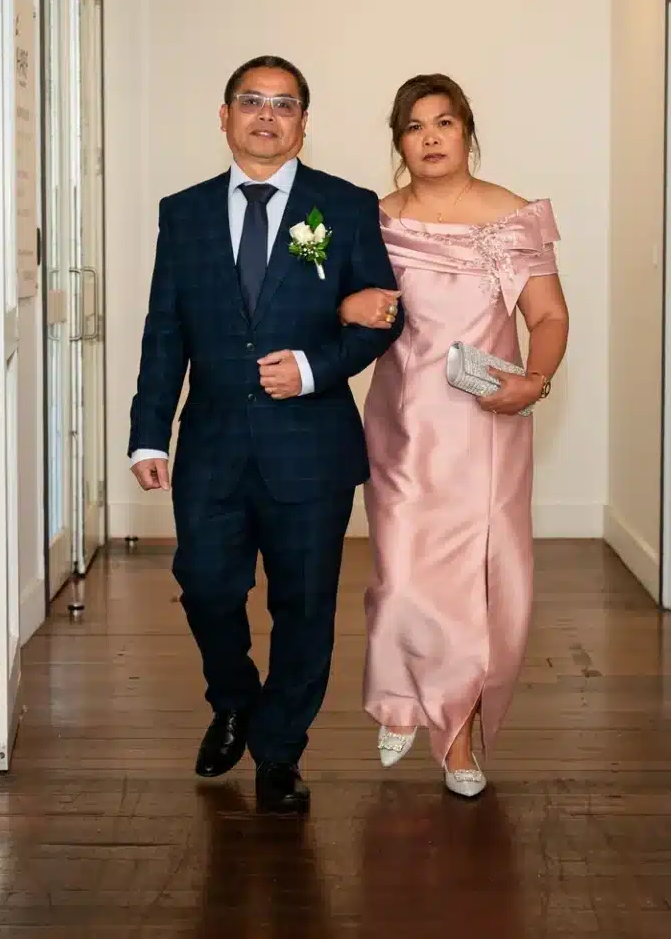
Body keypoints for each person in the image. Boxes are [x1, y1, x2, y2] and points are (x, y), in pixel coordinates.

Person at [127, 55, 404, 813]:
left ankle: (280, 750)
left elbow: (386, 312)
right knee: (207, 586)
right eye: (251, 101)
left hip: (309, 446)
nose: (266, 115)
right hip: (211, 444)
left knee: (305, 606)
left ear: (304, 124)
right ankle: (235, 698)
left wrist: (316, 368)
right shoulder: (182, 212)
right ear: (224, 115)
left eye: (284, 105)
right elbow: (165, 328)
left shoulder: (343, 206)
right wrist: (149, 433)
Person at [338, 73, 570, 797]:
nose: (431, 137)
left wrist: (535, 380)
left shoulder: (510, 218)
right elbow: (341, 309)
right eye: (415, 125)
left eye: (444, 122)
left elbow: (550, 317)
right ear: (399, 140)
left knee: (478, 587)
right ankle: (404, 696)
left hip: (484, 427)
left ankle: (461, 739)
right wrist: (348, 304)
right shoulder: (374, 220)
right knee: (402, 578)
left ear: (467, 129)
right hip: (403, 424)